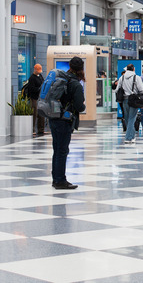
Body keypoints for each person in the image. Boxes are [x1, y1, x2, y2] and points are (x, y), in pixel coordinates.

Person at [50, 57, 86, 189]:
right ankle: (60, 180)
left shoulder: (62, 79)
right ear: (81, 69)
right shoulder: (75, 84)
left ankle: (56, 178)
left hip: (53, 117)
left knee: (57, 149)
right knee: (62, 150)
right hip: (64, 120)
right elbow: (79, 106)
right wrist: (83, 106)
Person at [115, 64, 143, 144]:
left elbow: (117, 89)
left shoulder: (122, 77)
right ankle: (128, 137)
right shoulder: (137, 78)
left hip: (124, 100)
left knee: (127, 118)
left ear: (127, 69)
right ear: (134, 69)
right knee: (132, 117)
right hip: (134, 100)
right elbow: (141, 89)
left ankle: (132, 136)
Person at [26, 64, 46, 136]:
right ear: (34, 69)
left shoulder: (40, 76)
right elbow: (31, 88)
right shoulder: (32, 78)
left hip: (40, 98)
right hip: (34, 98)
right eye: (38, 71)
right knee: (34, 113)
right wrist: (38, 89)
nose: (39, 72)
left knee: (41, 114)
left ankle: (41, 129)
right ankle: (32, 129)